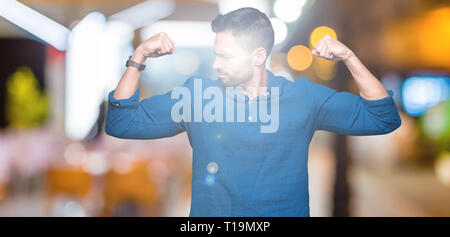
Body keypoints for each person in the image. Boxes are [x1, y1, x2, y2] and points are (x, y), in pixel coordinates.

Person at [105, 7, 401, 217]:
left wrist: (348, 56)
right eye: (216, 54)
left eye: (226, 56)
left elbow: (382, 116)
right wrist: (139, 57)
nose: (216, 64)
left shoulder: (302, 97)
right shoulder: (197, 96)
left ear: (259, 56)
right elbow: (121, 122)